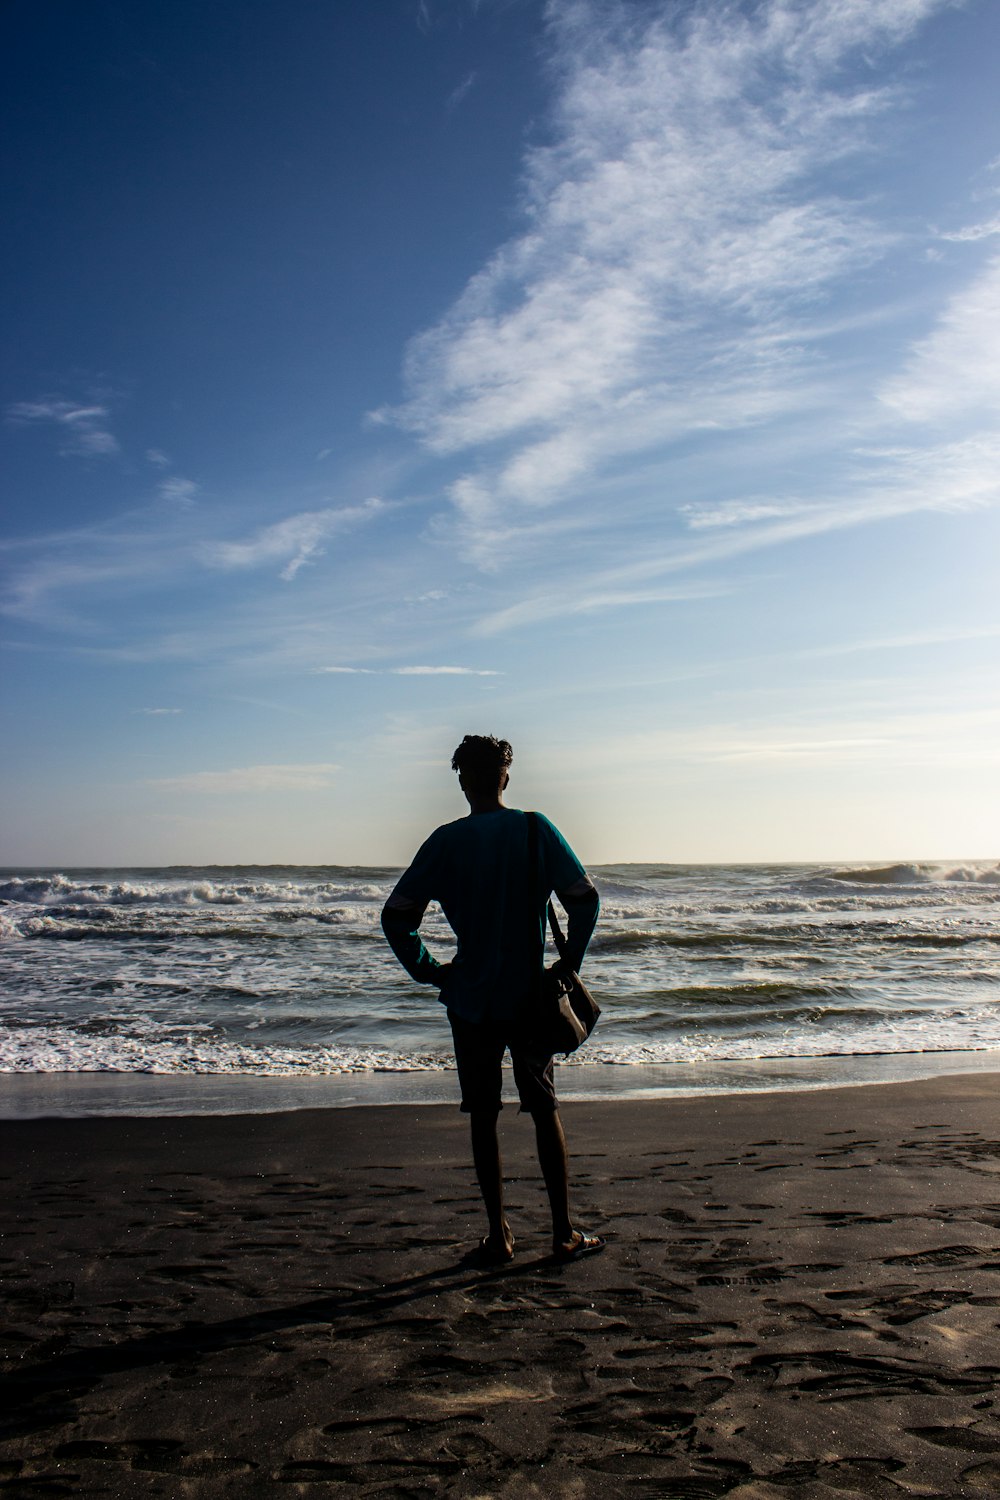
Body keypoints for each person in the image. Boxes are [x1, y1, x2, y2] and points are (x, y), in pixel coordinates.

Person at [381, 734, 604, 1265]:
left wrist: (432, 972)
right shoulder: (533, 828)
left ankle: (499, 1237)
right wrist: (568, 964)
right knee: (543, 1107)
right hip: (529, 995)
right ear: (506, 776)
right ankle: (562, 1233)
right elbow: (584, 901)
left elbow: (397, 917)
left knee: (483, 1114)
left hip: (471, 998)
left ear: (463, 781)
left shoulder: (445, 841)